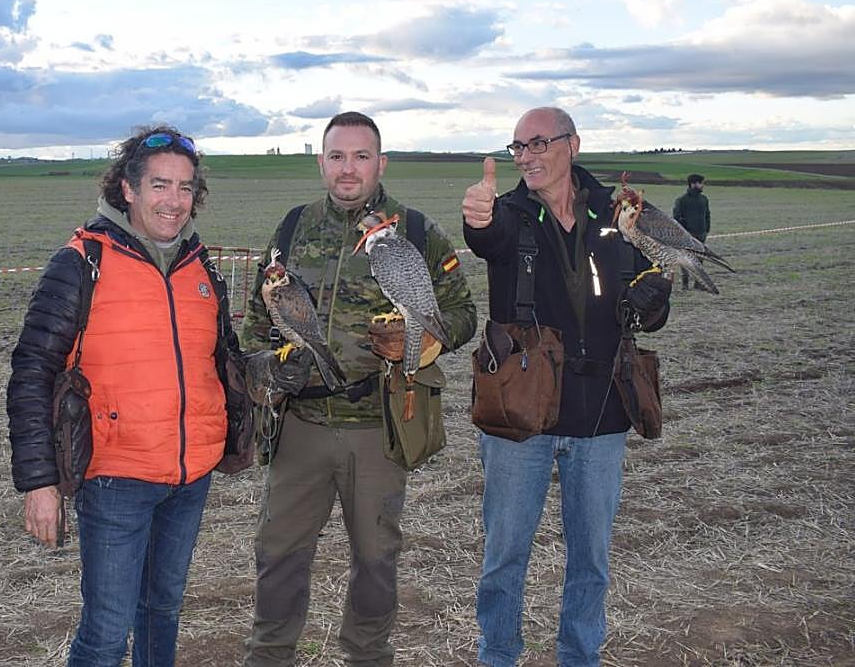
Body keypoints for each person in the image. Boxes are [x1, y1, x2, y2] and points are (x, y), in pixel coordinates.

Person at [242, 111, 477, 667]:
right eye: (338, 156)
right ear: (322, 163)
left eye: (361, 156)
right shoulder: (293, 227)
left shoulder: (416, 232)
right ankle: (269, 657)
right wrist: (264, 374)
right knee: (278, 555)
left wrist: (420, 348)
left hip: (377, 424)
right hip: (299, 425)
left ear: (381, 163)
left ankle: (368, 657)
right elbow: (258, 312)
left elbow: (463, 312)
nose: (349, 169)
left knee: (375, 559)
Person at [7, 125, 242, 667]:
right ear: (128, 189)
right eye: (159, 186)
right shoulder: (82, 260)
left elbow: (217, 356)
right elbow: (31, 370)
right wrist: (39, 481)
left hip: (189, 474)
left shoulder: (199, 265)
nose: (174, 202)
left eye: (185, 188)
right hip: (117, 478)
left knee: (162, 610)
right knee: (107, 633)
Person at [461, 107, 672, 667]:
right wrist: (476, 218)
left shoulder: (619, 214)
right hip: (521, 414)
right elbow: (486, 237)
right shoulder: (509, 214)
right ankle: (498, 655)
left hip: (602, 413)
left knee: (591, 561)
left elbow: (649, 295)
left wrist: (656, 304)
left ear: (572, 144)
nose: (525, 156)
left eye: (537, 143)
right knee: (504, 557)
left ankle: (580, 657)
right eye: (516, 148)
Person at [673, 174, 711, 290]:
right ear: (693, 184)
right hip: (687, 235)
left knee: (699, 259)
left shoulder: (704, 199)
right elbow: (676, 217)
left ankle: (698, 283)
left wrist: (706, 229)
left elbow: (707, 215)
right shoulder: (682, 200)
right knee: (686, 259)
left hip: (701, 234)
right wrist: (684, 231)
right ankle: (685, 283)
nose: (702, 185)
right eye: (700, 183)